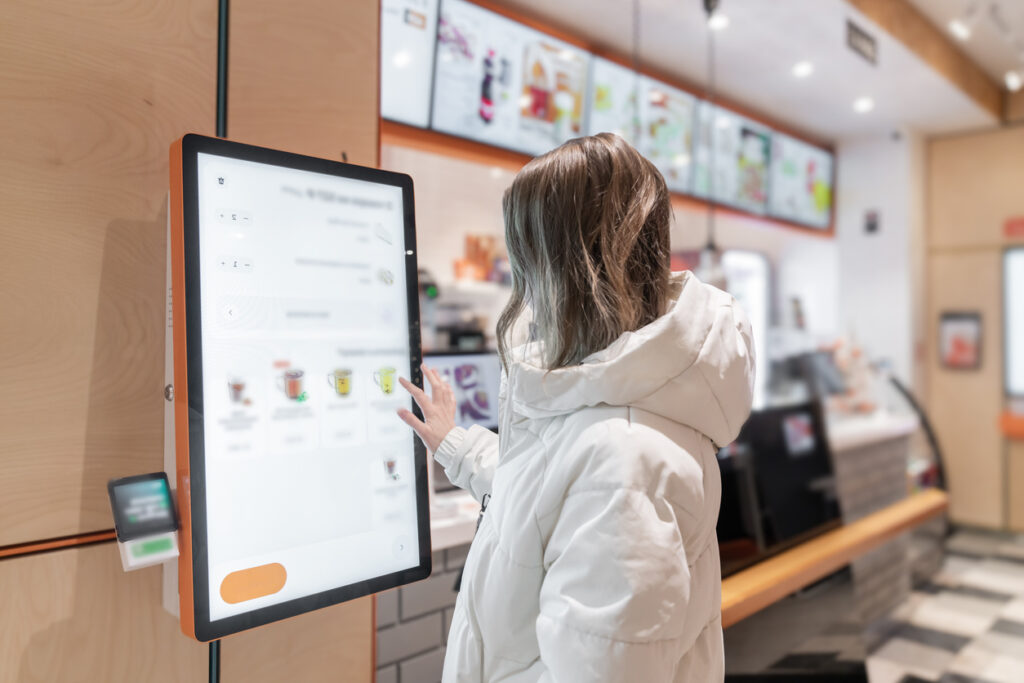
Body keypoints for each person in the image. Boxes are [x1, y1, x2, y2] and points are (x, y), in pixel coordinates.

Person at [398, 133, 755, 682]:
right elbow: (550, 495)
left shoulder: (624, 458)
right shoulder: (615, 401)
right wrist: (457, 444)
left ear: (565, 267)